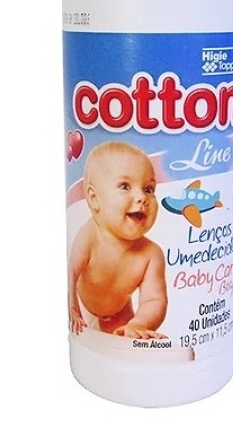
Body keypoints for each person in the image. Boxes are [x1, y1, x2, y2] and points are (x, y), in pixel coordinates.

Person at [68, 141, 168, 339]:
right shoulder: (90, 235)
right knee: (88, 350)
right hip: (82, 309)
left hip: (120, 315)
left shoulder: (151, 254)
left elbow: (154, 300)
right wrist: (71, 307)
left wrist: (139, 324)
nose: (142, 197)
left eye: (148, 189)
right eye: (125, 186)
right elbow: (70, 272)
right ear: (94, 198)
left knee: (128, 345)